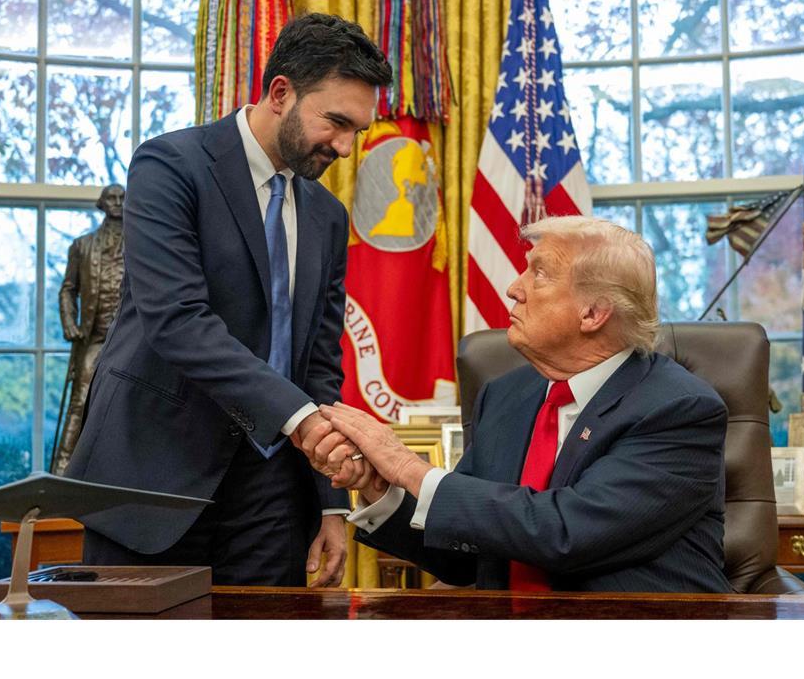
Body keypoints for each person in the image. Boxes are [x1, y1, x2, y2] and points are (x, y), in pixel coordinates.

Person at [65, 13, 393, 585]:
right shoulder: (170, 166)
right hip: (153, 477)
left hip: (273, 495)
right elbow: (177, 321)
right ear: (281, 93)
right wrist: (301, 421)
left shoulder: (328, 216)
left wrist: (330, 503)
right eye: (336, 122)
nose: (345, 147)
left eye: (356, 132)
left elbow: (318, 361)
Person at [310, 216, 730, 593]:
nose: (514, 288)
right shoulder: (505, 395)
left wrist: (408, 468)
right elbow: (464, 556)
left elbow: (567, 534)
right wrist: (379, 487)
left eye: (539, 274)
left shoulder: (678, 410)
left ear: (593, 313)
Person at [51, 184, 126, 475]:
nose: (117, 203)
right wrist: (69, 323)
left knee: (129, 405)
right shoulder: (82, 246)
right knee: (80, 401)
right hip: (94, 337)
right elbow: (67, 290)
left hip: (132, 339)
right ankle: (62, 472)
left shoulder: (143, 244)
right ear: (101, 203)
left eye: (122, 198)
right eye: (112, 198)